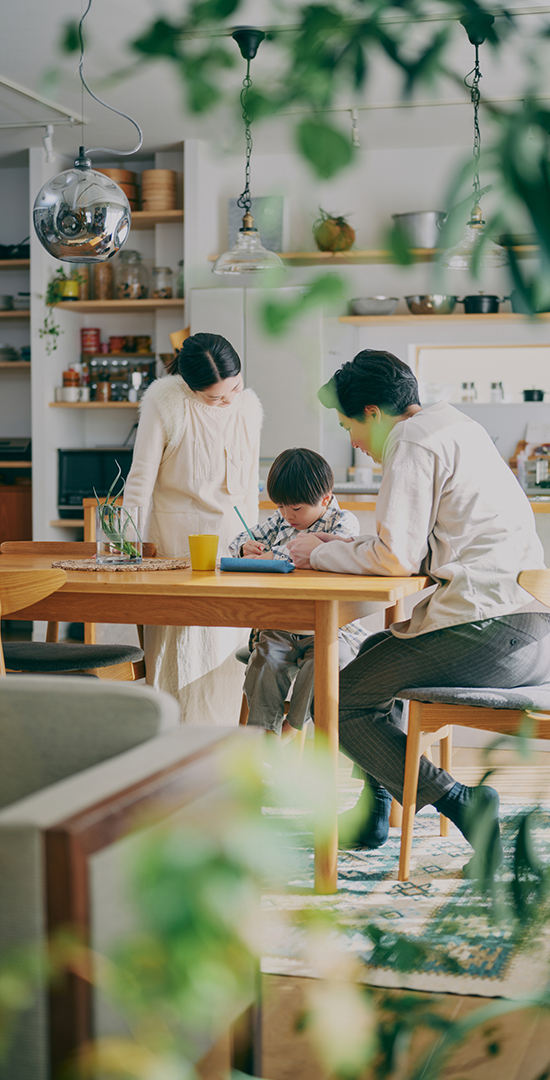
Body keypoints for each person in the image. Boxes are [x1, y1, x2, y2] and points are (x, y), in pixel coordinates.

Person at [287, 349, 550, 875]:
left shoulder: (411, 441)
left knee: (339, 704)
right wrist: (346, 544)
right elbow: (416, 547)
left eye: (350, 427)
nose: (355, 442)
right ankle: (373, 812)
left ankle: (461, 803)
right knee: (370, 650)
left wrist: (315, 551)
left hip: (491, 637)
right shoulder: (454, 425)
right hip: (530, 632)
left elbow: (394, 559)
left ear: (374, 413)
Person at [124, 332, 263, 720]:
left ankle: (222, 749)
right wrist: (129, 544)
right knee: (178, 654)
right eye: (215, 398)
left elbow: (249, 486)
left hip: (231, 549)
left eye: (233, 388)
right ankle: (172, 745)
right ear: (189, 387)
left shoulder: (248, 408)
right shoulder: (164, 402)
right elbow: (140, 479)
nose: (228, 401)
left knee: (226, 653)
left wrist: (253, 542)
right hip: (174, 549)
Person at [229, 447, 369, 734]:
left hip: (330, 629)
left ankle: (290, 731)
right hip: (280, 625)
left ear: (325, 499)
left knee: (325, 665)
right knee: (264, 662)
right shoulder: (280, 520)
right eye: (280, 506)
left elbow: (314, 552)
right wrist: (245, 548)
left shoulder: (342, 522)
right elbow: (241, 540)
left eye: (296, 509)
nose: (287, 515)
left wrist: (271, 556)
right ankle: (264, 738)